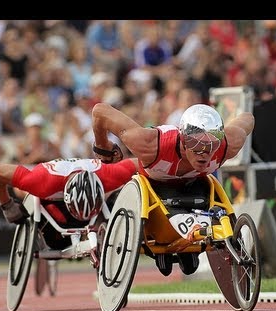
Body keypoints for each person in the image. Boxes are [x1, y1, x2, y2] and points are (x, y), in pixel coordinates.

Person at [91, 102, 254, 276]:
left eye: (211, 146)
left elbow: (248, 118)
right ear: (183, 141)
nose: (204, 153)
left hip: (196, 185)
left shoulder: (227, 145)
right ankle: (169, 241)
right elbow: (99, 112)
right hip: (156, 190)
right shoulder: (151, 144)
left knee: (191, 265)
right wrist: (103, 146)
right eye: (197, 146)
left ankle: (190, 244)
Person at [0, 157, 138, 225]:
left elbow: (143, 164)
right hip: (51, 189)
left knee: (114, 195)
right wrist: (8, 206)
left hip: (96, 191)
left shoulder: (109, 175)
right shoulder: (42, 182)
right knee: (24, 192)